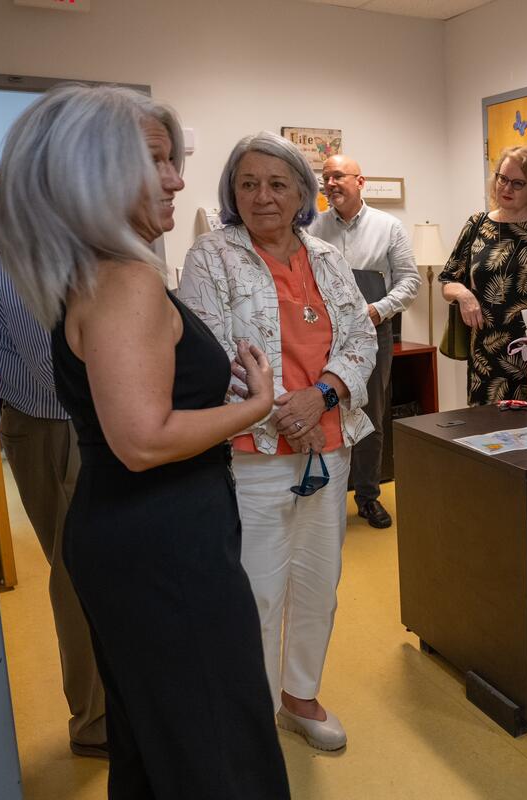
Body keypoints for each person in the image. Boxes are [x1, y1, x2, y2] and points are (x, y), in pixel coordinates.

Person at [0, 85, 289, 797]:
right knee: (216, 741)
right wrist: (258, 407)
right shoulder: (126, 281)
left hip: (131, 531)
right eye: (158, 161)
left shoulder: (86, 270)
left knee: (161, 739)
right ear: (97, 171)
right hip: (164, 542)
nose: (180, 178)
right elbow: (144, 440)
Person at [178, 132, 376, 752]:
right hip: (252, 453)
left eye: (277, 184)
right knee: (258, 589)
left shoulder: (326, 256)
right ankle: (252, 717)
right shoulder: (211, 255)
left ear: (302, 194)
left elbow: (360, 339)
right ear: (232, 194)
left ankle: (300, 695)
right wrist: (275, 409)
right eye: (248, 184)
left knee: (320, 580)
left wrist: (320, 396)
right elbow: (208, 353)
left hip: (328, 442)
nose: (262, 196)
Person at [0, 219, 107, 760]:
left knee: (83, 569)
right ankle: (96, 724)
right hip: (65, 421)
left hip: (53, 419)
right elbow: (54, 360)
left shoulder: (21, 226)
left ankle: (104, 711)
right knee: (80, 575)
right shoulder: (28, 235)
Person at [309, 154, 420, 529]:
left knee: (370, 415)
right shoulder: (310, 228)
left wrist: (377, 311)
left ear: (360, 181)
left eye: (338, 176)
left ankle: (368, 496)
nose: (331, 184)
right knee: (323, 411)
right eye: (325, 178)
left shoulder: (388, 227)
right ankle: (325, 497)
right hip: (321, 334)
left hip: (374, 331)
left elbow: (409, 280)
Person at [439, 145, 527, 405]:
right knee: (486, 440)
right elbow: (448, 280)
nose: (506, 188)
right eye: (502, 178)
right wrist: (463, 294)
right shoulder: (476, 225)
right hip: (485, 362)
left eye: (517, 183)